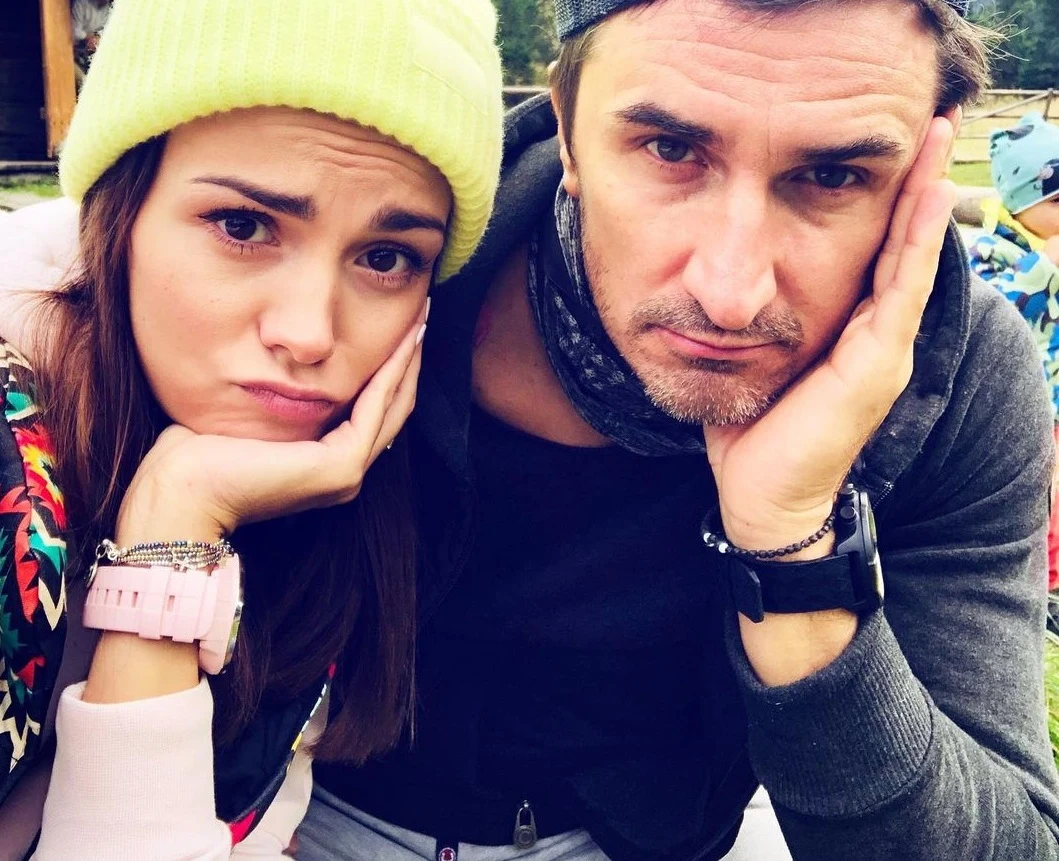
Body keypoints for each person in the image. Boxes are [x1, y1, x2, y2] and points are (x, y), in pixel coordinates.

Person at [3, 2, 1059, 861]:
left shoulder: (955, 384)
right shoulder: (384, 252)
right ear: (566, 123)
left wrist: (793, 549)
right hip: (295, 812)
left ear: (927, 166)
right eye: (670, 148)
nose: (731, 291)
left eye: (832, 176)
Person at [0, 0, 502, 858]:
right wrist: (169, 554)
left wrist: (178, 513)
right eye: (242, 226)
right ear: (118, 211)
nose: (307, 333)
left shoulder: (348, 486)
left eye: (385, 258)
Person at [969, 113, 1059, 590]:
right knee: (1035, 500)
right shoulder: (992, 252)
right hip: (1015, 412)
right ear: (1019, 205)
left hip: (1055, 401)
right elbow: (997, 310)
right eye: (1057, 201)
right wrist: (1044, 265)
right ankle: (1040, 587)